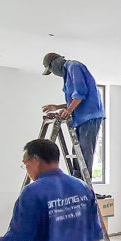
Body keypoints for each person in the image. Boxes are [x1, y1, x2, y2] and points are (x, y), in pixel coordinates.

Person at [40, 52, 106, 181]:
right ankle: (77, 179)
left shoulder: (74, 66)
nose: (53, 73)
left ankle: (83, 183)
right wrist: (58, 107)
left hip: (89, 116)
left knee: (85, 150)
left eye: (51, 69)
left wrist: (68, 111)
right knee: (77, 151)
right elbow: (74, 100)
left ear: (55, 63)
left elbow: (80, 94)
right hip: (81, 118)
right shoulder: (68, 74)